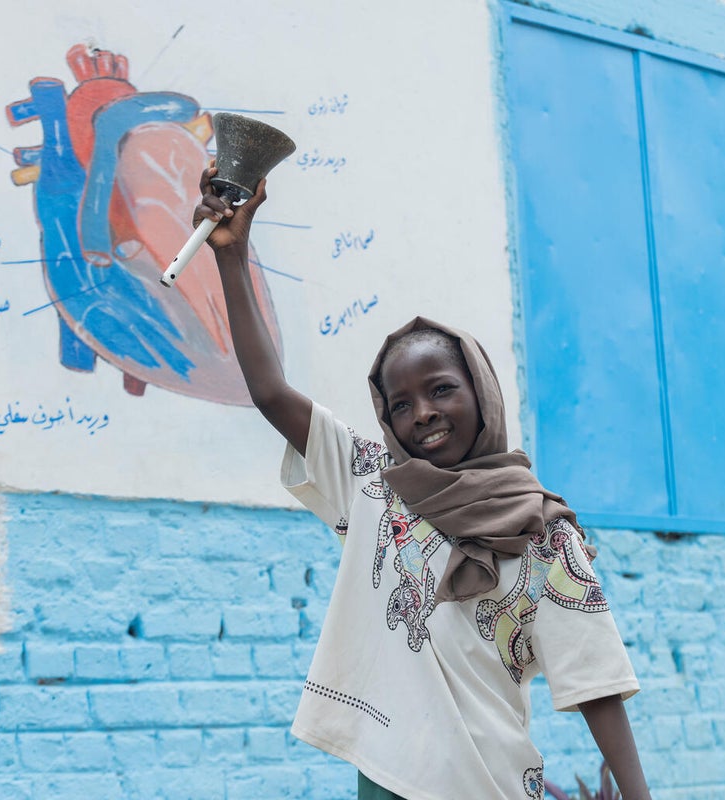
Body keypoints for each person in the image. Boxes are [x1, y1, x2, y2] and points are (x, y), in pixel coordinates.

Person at [194, 166, 652, 800]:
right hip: (388, 777)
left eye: (441, 390)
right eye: (401, 404)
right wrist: (233, 259)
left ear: (481, 392)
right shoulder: (376, 488)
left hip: (491, 783)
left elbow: (594, 678)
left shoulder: (544, 534)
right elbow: (271, 393)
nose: (423, 413)